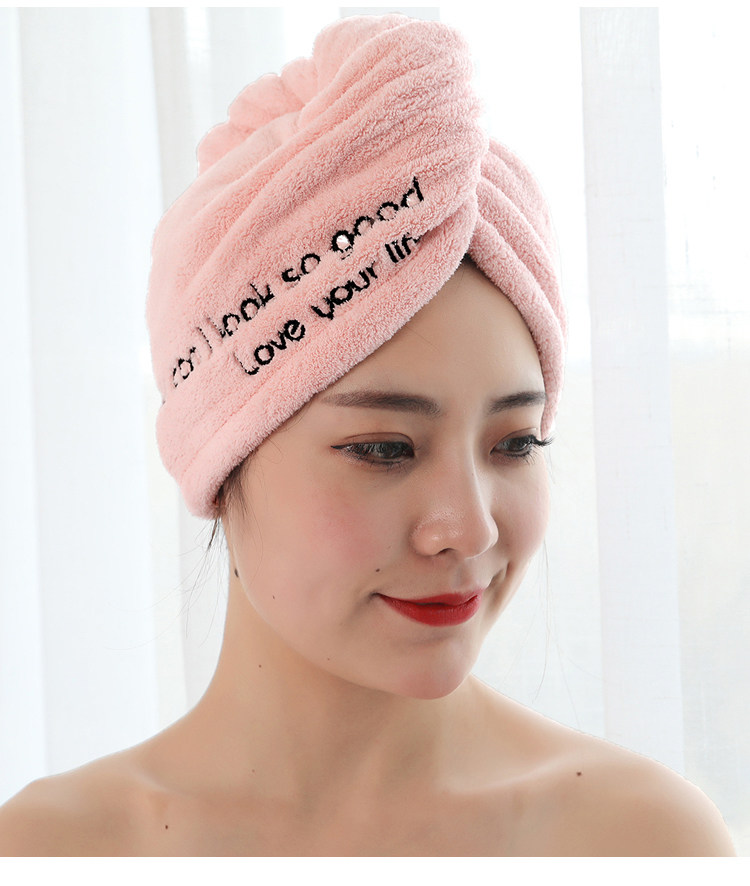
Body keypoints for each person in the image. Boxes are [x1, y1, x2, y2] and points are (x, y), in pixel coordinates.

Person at [0, 14, 736, 856]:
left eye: (515, 443)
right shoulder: (48, 852)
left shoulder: (640, 843)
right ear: (221, 455)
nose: (470, 528)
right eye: (385, 449)